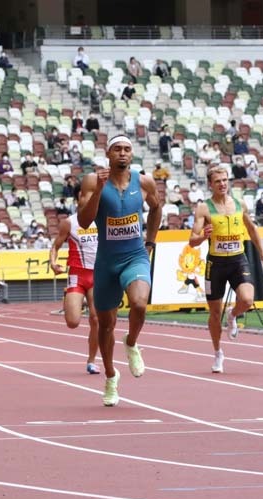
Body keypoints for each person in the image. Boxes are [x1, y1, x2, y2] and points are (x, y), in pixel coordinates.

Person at [77, 135, 161, 406]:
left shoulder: (144, 181)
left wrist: (150, 240)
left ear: (131, 154)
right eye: (117, 150)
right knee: (105, 325)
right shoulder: (93, 181)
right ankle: (111, 376)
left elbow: (157, 208)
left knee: (139, 303)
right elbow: (84, 220)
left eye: (127, 149)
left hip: (135, 256)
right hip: (106, 262)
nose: (122, 154)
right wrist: (100, 190)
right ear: (108, 154)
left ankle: (132, 342)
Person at [188, 167, 263, 374]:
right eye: (218, 181)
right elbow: (192, 240)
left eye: (225, 180)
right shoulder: (204, 209)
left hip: (237, 260)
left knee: (247, 299)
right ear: (210, 184)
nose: (222, 184)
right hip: (215, 265)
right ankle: (218, 353)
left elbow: (252, 229)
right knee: (213, 314)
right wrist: (203, 237)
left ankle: (233, 315)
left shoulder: (239, 204)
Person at [49, 208, 101, 374]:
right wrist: (53, 263)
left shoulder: (104, 219)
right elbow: (55, 246)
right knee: (72, 322)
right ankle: (77, 299)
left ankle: (92, 360)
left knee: (96, 319)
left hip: (98, 275)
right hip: (77, 275)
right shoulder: (70, 223)